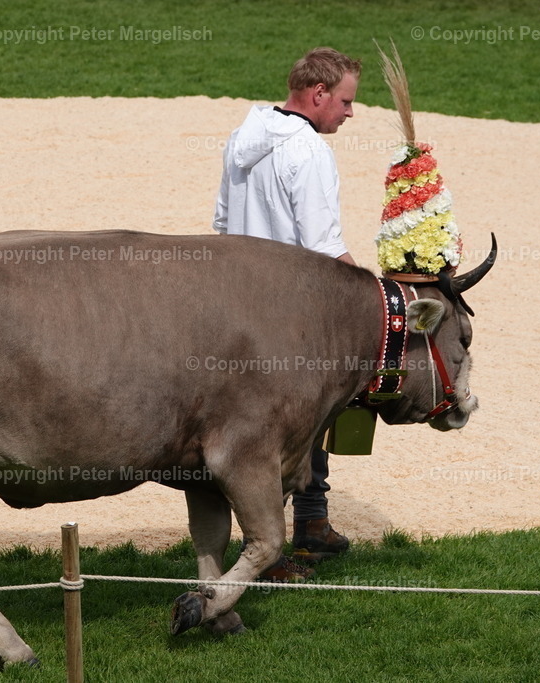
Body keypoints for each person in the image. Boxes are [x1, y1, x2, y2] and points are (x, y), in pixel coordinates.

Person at [212, 47, 361, 581]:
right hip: (292, 314)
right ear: (318, 94)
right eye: (345, 101)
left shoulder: (240, 138)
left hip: (235, 308)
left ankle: (313, 521)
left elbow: (224, 223)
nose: (349, 113)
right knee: (298, 424)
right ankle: (280, 545)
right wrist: (377, 296)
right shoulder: (310, 154)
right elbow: (324, 248)